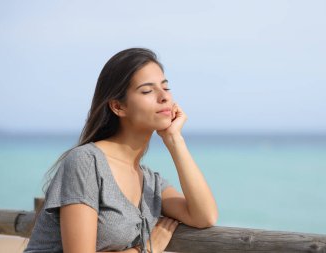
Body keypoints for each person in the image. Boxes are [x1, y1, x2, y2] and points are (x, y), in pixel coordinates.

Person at [23, 48, 218, 253]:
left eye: (166, 88)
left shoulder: (151, 182)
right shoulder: (86, 162)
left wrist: (174, 139)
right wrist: (146, 249)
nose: (164, 98)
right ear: (118, 107)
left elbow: (204, 216)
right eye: (147, 91)